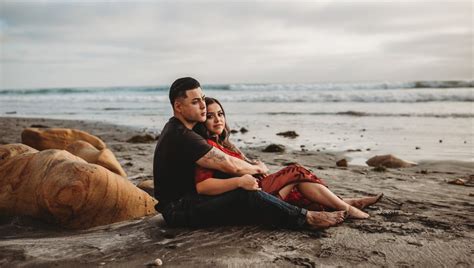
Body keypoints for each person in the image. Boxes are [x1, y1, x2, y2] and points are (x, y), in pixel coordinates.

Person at [153, 77, 346, 229]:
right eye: (196, 102)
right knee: (246, 195)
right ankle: (308, 219)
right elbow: (228, 164)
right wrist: (256, 167)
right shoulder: (181, 136)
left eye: (203, 99)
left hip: (190, 202)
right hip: (179, 210)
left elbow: (228, 162)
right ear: (178, 106)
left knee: (246, 192)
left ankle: (325, 203)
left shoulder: (180, 131)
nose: (203, 106)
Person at [194, 97, 383, 219]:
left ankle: (348, 202)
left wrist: (253, 167)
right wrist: (245, 176)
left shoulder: (224, 143)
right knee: (296, 170)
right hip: (251, 197)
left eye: (220, 114)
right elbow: (203, 186)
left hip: (261, 189)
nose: (218, 119)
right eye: (210, 116)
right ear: (202, 120)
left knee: (299, 188)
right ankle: (348, 208)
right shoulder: (206, 148)